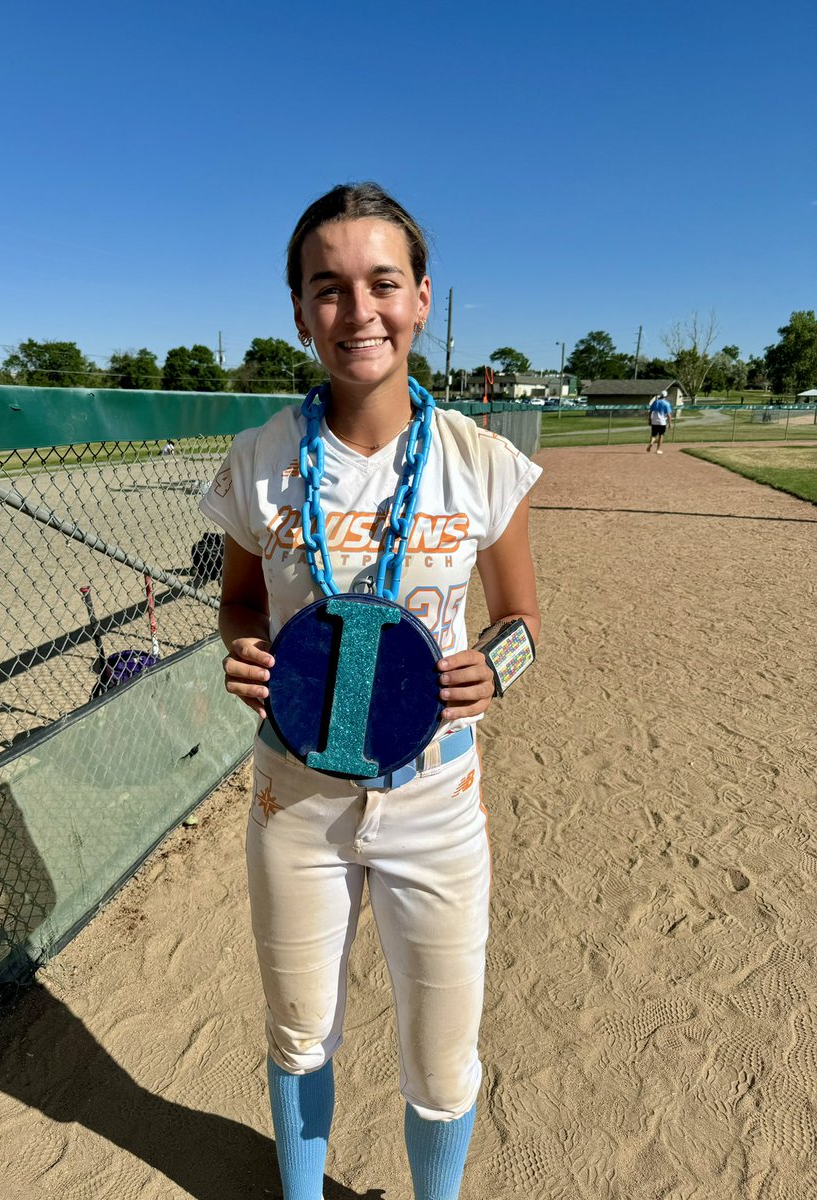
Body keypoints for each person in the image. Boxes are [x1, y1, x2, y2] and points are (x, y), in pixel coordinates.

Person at [200, 182, 541, 1200]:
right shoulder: (263, 461)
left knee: (442, 1062)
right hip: (294, 798)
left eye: (382, 284)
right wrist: (245, 650)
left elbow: (523, 622)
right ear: (300, 310)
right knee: (300, 1033)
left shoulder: (483, 465)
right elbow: (237, 605)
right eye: (331, 289)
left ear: (423, 298)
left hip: (436, 800)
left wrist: (497, 668)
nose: (360, 312)